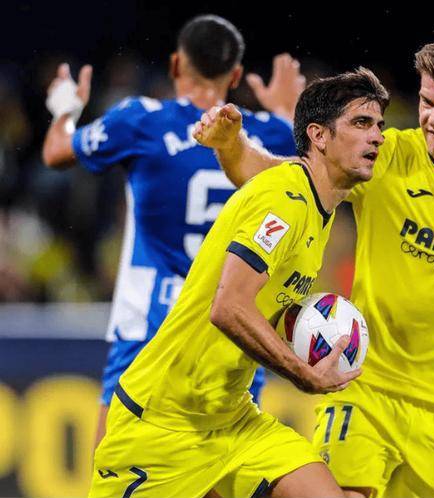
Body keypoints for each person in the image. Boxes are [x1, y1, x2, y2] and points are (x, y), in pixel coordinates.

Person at [196, 36, 434, 498]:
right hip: (366, 387)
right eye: (427, 102)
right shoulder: (388, 156)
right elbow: (279, 177)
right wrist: (230, 146)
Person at [88, 67, 389, 498]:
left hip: (232, 419)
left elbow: (252, 168)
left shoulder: (313, 200)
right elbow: (227, 307)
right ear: (319, 136)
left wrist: (230, 144)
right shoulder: (286, 201)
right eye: (361, 123)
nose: (377, 136)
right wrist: (301, 372)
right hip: (161, 424)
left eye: (378, 125)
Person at [42, 14, 305, 444]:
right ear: (235, 75)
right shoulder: (273, 136)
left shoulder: (140, 121)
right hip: (232, 329)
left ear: (175, 65)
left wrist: (65, 109)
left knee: (116, 467)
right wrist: (287, 112)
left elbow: (56, 152)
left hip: (150, 325)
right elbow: (314, 165)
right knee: (220, 467)